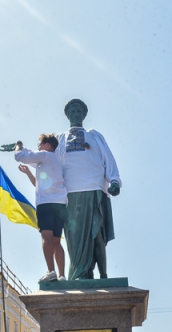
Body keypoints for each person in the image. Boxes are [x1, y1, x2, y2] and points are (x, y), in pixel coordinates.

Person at [54, 98, 122, 280]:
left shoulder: (94, 135)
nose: (76, 114)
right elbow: (48, 163)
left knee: (97, 234)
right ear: (67, 115)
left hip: (94, 191)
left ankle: (103, 275)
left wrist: (114, 181)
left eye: (79, 111)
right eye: (72, 111)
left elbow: (108, 158)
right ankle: (80, 275)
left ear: (84, 115)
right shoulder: (59, 139)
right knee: (74, 240)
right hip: (70, 196)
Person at [7, 134, 68, 283]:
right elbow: (39, 185)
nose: (39, 147)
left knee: (46, 237)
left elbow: (20, 156)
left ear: (47, 145)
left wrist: (19, 145)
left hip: (46, 204)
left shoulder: (45, 155)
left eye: (40, 144)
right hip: (59, 204)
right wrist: (28, 172)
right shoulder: (56, 162)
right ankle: (61, 275)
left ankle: (50, 271)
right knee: (56, 241)